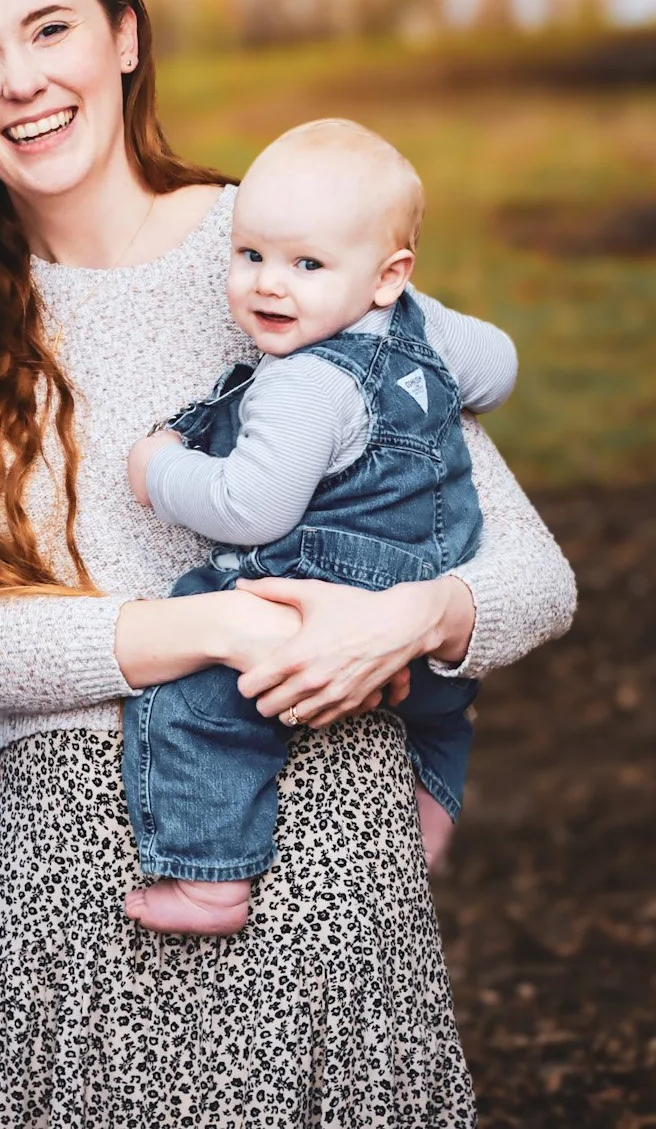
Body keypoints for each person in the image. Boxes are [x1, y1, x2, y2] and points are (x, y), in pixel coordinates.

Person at [0, 0, 577, 1124]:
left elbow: (534, 578)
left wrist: (399, 623)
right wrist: (224, 631)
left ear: (123, 36)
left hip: (325, 856)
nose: (21, 81)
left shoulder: (284, 257)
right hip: (76, 895)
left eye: (49, 29)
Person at [120, 118, 518, 937]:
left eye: (306, 264)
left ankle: (208, 876)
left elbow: (250, 505)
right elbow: (500, 367)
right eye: (250, 255)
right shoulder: (420, 323)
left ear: (385, 275)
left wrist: (159, 472)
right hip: (430, 592)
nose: (270, 285)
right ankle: (432, 808)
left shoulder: (302, 384)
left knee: (195, 701)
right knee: (444, 709)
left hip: (324, 596)